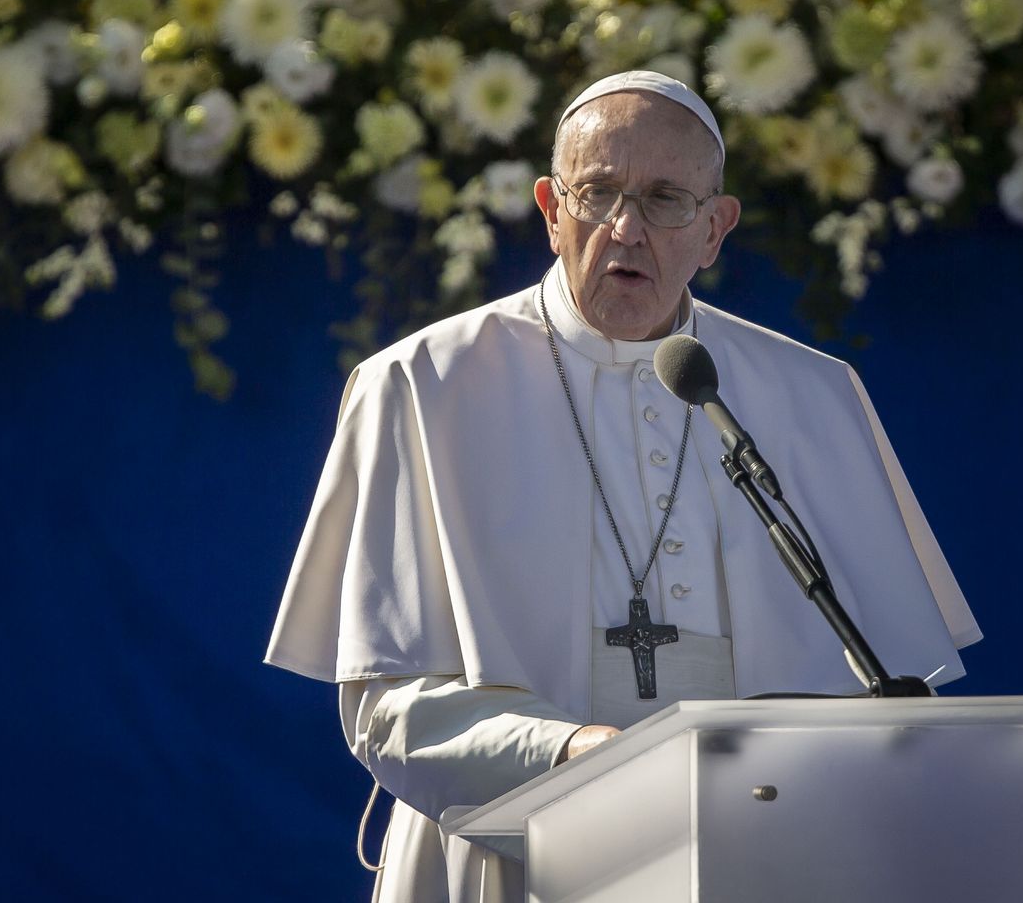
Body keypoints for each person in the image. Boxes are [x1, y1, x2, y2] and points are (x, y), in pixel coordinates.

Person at [265, 71, 981, 902]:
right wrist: (569, 757)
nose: (626, 229)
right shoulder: (423, 384)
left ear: (716, 229)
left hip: (764, 864)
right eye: (598, 193)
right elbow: (384, 702)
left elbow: (891, 691)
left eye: (666, 199)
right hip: (511, 861)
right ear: (549, 210)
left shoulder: (811, 394)